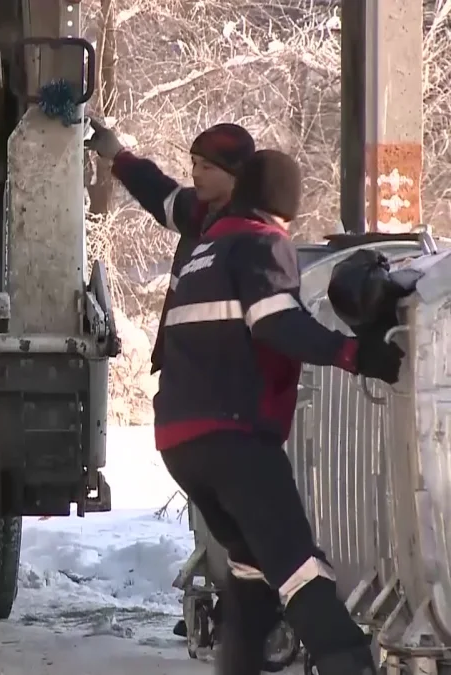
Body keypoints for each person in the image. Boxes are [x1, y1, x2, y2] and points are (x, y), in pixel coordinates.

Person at [155, 149, 403, 675]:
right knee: (298, 567)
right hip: (235, 438)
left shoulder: (204, 250)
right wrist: (357, 354)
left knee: (252, 573)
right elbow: (276, 324)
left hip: (181, 441)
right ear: (281, 204)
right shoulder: (263, 241)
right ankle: (349, 662)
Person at [85, 118, 255, 374]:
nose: (195, 173)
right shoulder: (198, 214)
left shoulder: (247, 237)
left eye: (207, 167)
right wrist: (118, 156)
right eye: (195, 163)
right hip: (180, 370)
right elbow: (158, 191)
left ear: (236, 176)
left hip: (215, 381)